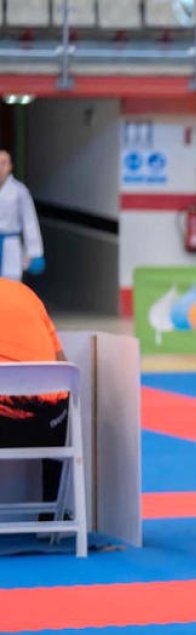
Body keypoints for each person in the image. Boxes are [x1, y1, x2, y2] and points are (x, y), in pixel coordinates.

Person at [0, 278, 69, 514]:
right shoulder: (27, 294)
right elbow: (63, 365)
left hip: (4, 425)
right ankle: (52, 514)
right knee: (61, 402)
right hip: (49, 427)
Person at [0, 150, 44, 282]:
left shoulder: (20, 191)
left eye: (4, 163)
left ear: (10, 166)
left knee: (11, 284)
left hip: (11, 244)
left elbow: (29, 221)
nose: (0, 167)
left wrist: (34, 252)